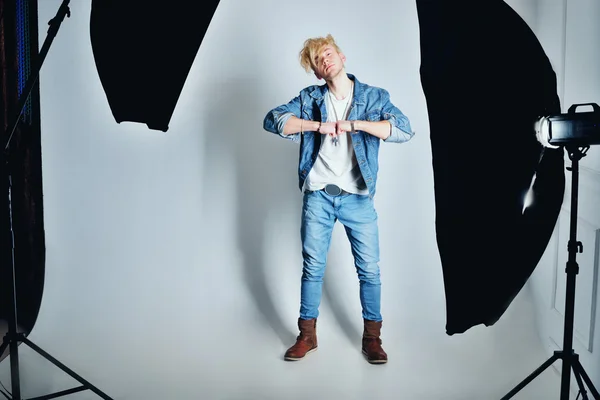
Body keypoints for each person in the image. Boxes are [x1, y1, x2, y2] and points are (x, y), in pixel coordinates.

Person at [262, 34, 414, 364]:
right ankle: (307, 336)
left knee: (369, 272)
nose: (324, 60)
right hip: (318, 197)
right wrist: (316, 125)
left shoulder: (375, 97)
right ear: (317, 73)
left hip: (358, 199)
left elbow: (404, 129)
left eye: (327, 53)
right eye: (318, 60)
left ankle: (372, 339)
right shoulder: (309, 98)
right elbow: (273, 120)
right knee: (313, 267)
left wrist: (355, 124)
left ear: (342, 56)